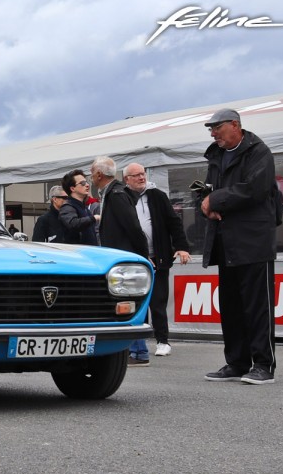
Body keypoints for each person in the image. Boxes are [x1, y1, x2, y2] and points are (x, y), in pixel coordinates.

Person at [199, 109, 280, 385]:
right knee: (231, 307)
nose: (213, 134)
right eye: (210, 129)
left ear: (235, 125)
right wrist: (204, 204)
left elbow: (255, 189)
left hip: (253, 241)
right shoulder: (216, 155)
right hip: (225, 241)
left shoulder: (259, 152)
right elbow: (208, 193)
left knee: (258, 307)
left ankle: (264, 365)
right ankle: (236, 362)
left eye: (216, 128)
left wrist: (216, 200)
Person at [123, 164, 192, 359]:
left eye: (142, 174)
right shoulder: (122, 198)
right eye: (135, 175)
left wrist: (182, 247)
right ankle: (137, 343)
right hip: (135, 259)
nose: (140, 178)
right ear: (127, 179)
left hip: (158, 257)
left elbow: (174, 222)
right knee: (136, 303)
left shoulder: (157, 196)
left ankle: (163, 341)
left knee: (158, 301)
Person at [94, 156, 150, 366]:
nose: (91, 177)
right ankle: (134, 351)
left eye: (91, 173)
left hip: (125, 259)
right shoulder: (112, 193)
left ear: (99, 174)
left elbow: (134, 227)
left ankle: (138, 352)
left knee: (129, 303)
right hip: (120, 258)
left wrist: (143, 257)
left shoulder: (116, 194)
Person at [58, 169, 100, 245]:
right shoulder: (67, 207)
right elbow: (73, 224)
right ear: (72, 188)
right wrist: (93, 218)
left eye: (86, 182)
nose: (87, 185)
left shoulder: (83, 207)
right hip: (77, 253)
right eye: (82, 183)